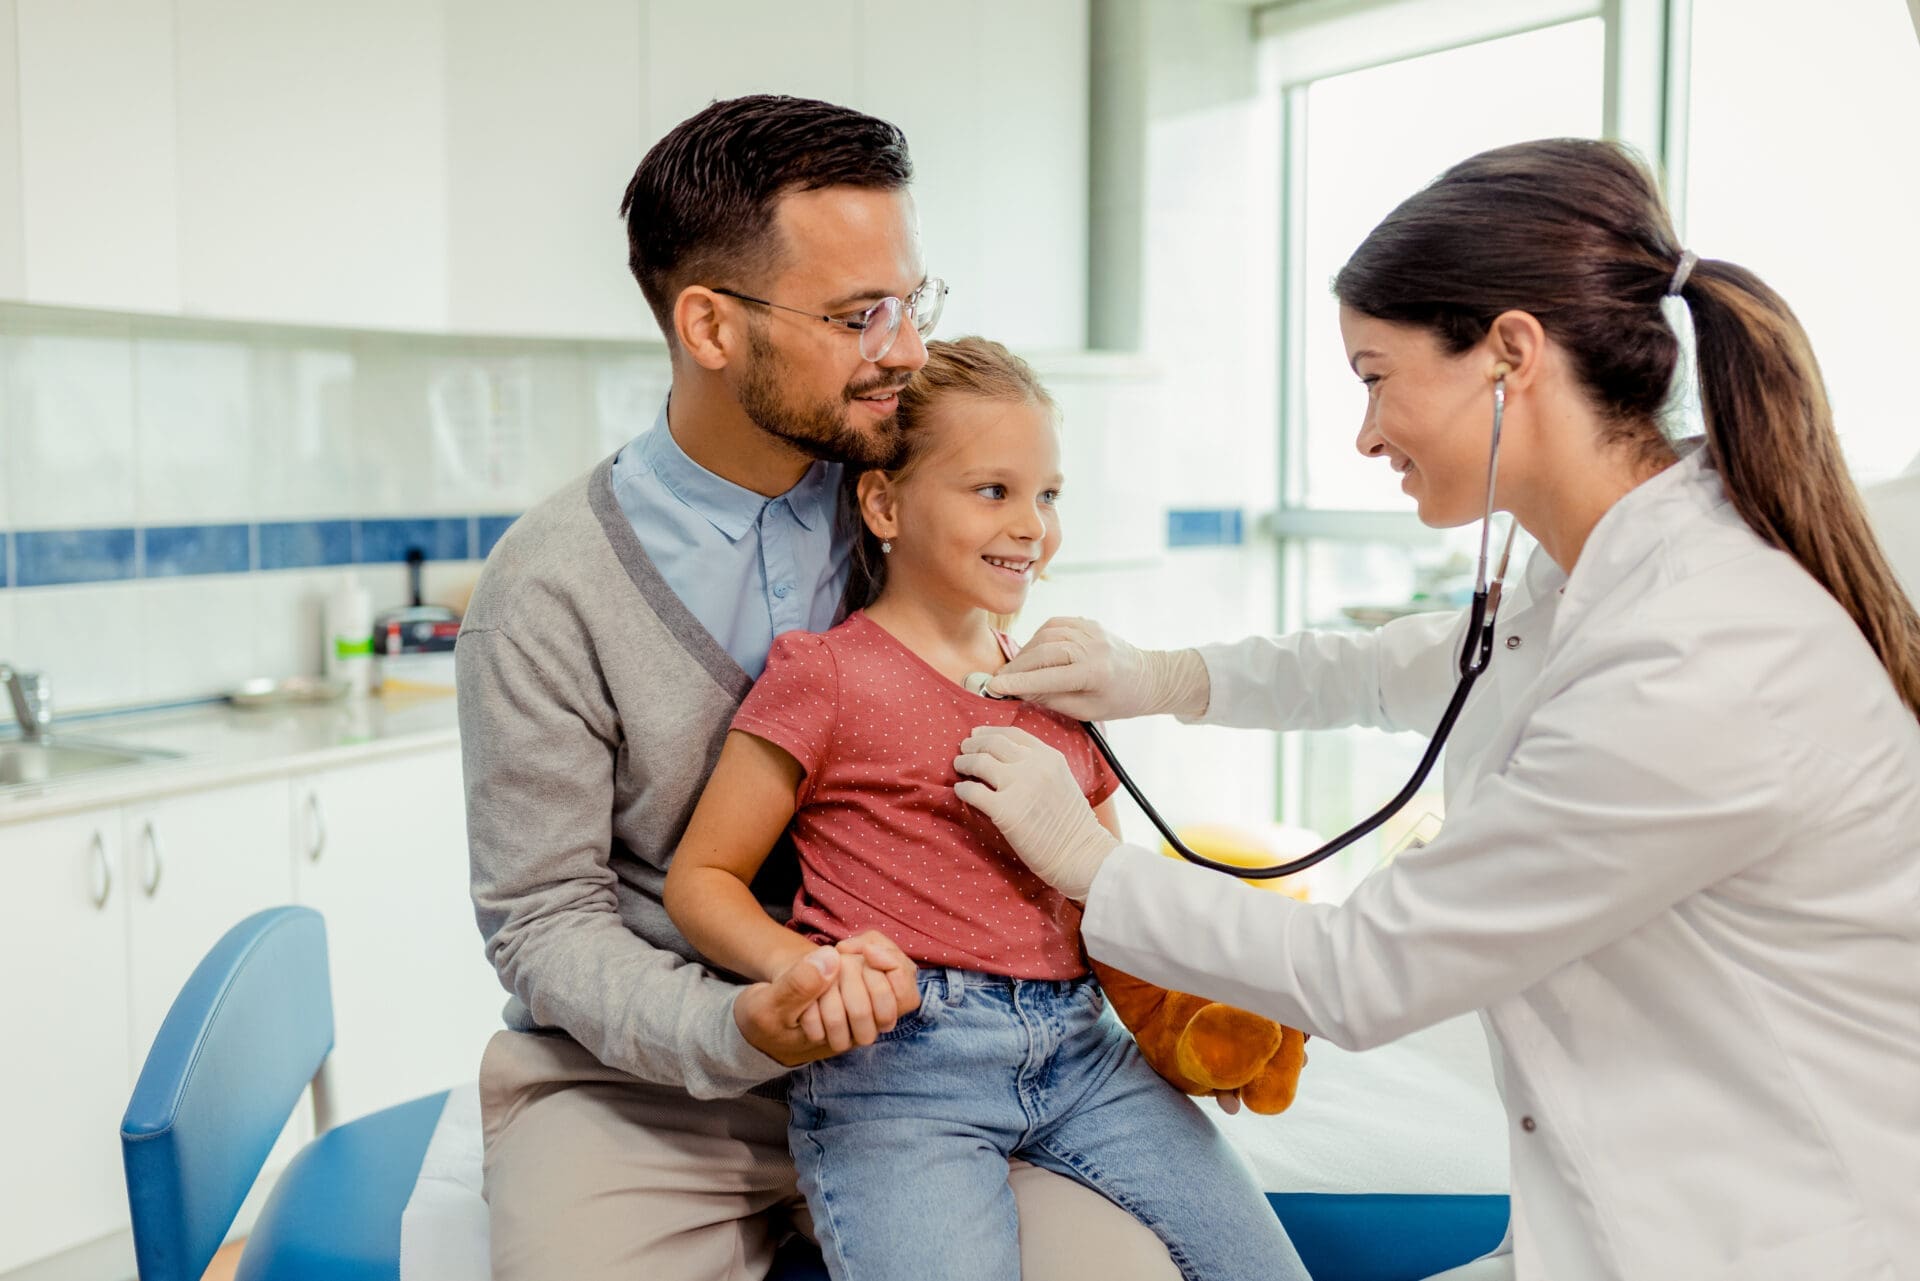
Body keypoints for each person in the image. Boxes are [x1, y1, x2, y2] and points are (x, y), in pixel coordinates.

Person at [950, 138, 1920, 1281]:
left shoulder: (1700, 656)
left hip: (1777, 1243)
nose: (1365, 433)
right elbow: (1381, 670)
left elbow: (1366, 971)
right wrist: (1158, 676)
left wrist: (1087, 862)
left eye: (1373, 375)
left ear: (1511, 352)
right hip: (1624, 1226)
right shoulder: (1607, 567)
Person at [458, 96, 1182, 1280]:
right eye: (858, 317)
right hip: (651, 1082)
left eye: (911, 303)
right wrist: (742, 1020)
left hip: (939, 1064)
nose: (902, 348)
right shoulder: (546, 592)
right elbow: (545, 922)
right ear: (708, 325)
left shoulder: (903, 501)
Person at [662, 337, 1306, 1281]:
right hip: (902, 1074)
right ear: (883, 503)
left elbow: (1109, 893)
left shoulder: (1058, 682)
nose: (1033, 528)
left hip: (1085, 1055)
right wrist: (804, 969)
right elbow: (702, 877)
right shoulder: (826, 675)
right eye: (993, 491)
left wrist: (1190, 1002)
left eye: (1047, 495)